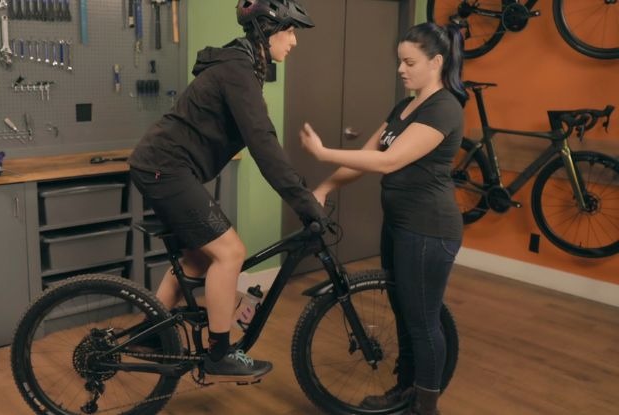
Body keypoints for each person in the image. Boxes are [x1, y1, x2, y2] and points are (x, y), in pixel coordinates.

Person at [128, 0, 324, 382]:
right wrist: (306, 202)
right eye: (290, 31)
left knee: (198, 260)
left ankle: (148, 335)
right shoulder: (238, 71)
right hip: (165, 168)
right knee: (231, 251)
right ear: (269, 31)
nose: (294, 42)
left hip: (162, 165)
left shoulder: (244, 67)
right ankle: (220, 352)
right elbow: (264, 145)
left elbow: (259, 141)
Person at [300, 22, 466, 415]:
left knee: (422, 322)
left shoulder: (444, 108)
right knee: (406, 315)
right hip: (400, 226)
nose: (401, 70)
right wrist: (324, 189)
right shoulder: (405, 107)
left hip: (429, 229)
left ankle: (425, 408)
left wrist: (325, 153)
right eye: (399, 61)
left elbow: (388, 161)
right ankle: (405, 390)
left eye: (409, 62)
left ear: (437, 62)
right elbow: (367, 157)